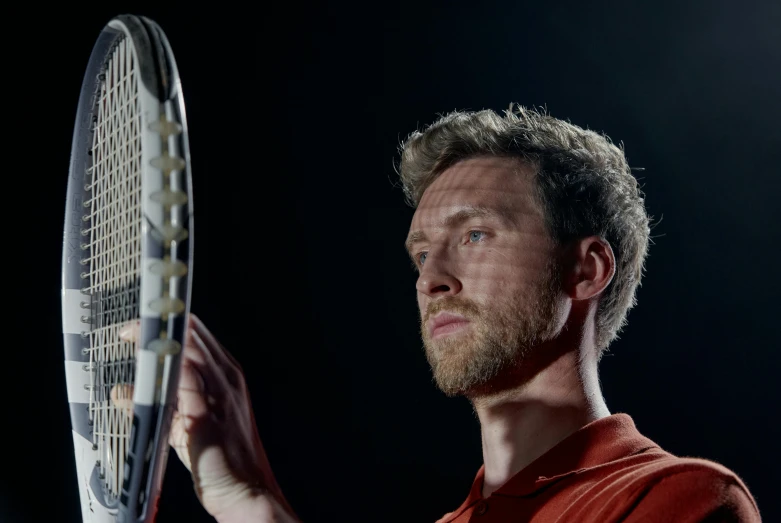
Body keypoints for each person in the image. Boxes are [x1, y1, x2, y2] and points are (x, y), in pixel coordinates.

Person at [122, 105, 762, 522]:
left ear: (587, 269)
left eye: (476, 235)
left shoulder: (681, 499)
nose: (431, 279)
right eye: (420, 254)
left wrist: (253, 503)